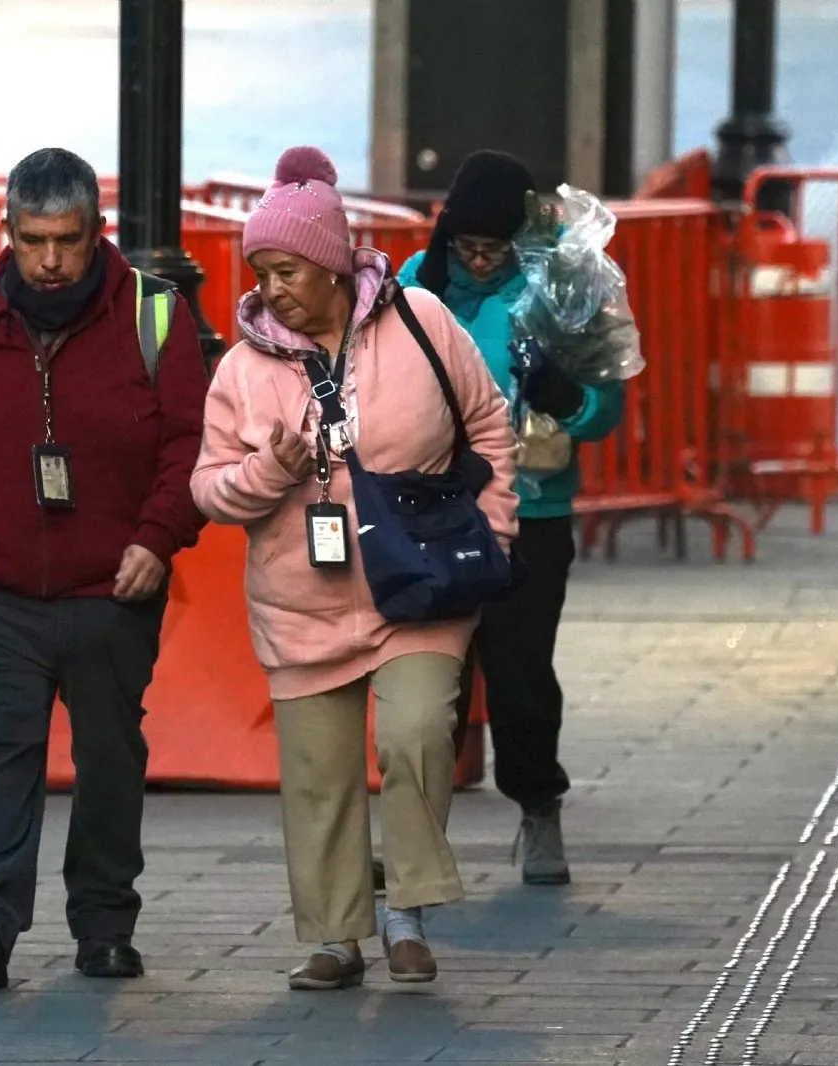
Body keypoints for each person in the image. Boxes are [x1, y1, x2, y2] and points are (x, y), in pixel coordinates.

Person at [0, 148, 210, 990]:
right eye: (32, 241)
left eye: (67, 240)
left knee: (109, 755)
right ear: (8, 234)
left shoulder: (153, 318)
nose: (50, 261)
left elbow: (190, 448)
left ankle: (102, 924)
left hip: (113, 590)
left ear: (99, 233)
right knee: (2, 752)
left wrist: (156, 540)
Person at [191, 147, 518, 990]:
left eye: (288, 269)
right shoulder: (242, 367)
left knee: (415, 731)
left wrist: (497, 532)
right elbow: (207, 489)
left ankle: (405, 911)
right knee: (320, 777)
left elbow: (488, 425)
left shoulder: (422, 323)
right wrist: (269, 471)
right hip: (301, 602)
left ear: (334, 266)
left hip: (421, 586)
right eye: (260, 272)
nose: (273, 289)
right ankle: (336, 939)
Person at [398, 150, 627, 885]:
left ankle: (538, 809)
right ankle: (417, 833)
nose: (480, 261)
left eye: (493, 249)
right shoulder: (414, 284)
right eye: (467, 247)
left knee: (521, 674)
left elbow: (604, 415)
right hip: (437, 512)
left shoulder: (563, 285)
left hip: (532, 511)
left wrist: (565, 396)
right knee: (429, 680)